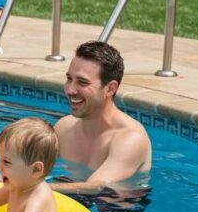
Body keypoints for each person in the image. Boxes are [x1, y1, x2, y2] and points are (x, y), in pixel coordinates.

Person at [52, 41, 152, 194]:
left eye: (82, 82)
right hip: (73, 193)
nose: (70, 90)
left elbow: (96, 187)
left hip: (116, 209)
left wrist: (25, 187)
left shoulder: (131, 138)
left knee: (111, 200)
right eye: (69, 79)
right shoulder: (63, 128)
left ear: (110, 88)